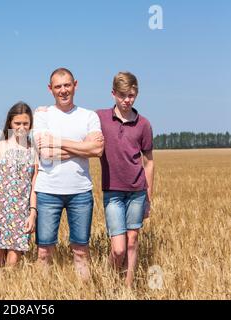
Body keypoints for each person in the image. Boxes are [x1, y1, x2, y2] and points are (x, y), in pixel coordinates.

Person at [33, 68, 104, 280]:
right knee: (44, 252)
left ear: (75, 84)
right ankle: (40, 295)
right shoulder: (42, 115)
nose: (63, 90)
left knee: (81, 251)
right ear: (50, 89)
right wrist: (83, 147)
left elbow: (97, 150)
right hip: (47, 192)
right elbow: (45, 153)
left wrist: (59, 143)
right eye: (58, 87)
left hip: (81, 192)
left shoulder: (89, 116)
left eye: (67, 85)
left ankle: (84, 293)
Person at [96, 72, 154, 287]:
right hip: (113, 192)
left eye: (131, 95)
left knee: (132, 241)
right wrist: (46, 111)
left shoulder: (143, 124)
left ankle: (127, 286)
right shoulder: (100, 117)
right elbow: (75, 118)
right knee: (118, 248)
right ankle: (108, 281)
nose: (127, 100)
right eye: (122, 95)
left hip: (137, 192)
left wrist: (148, 196)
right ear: (113, 94)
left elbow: (149, 162)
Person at [0, 102, 39, 267]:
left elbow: (35, 185)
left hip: (22, 213)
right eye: (17, 123)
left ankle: (11, 291)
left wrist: (32, 213)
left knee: (13, 260)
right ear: (10, 124)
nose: (21, 127)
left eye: (25, 123)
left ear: (31, 124)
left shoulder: (32, 150)